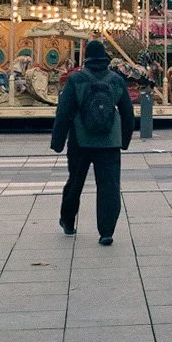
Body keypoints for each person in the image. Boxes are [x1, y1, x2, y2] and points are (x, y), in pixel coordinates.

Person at [51, 39, 136, 243]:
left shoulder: (76, 79)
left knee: (75, 181)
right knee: (109, 185)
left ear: (86, 58)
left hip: (81, 139)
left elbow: (64, 112)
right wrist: (124, 140)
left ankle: (68, 221)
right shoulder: (116, 80)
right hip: (110, 142)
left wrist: (58, 141)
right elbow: (128, 113)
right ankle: (106, 232)